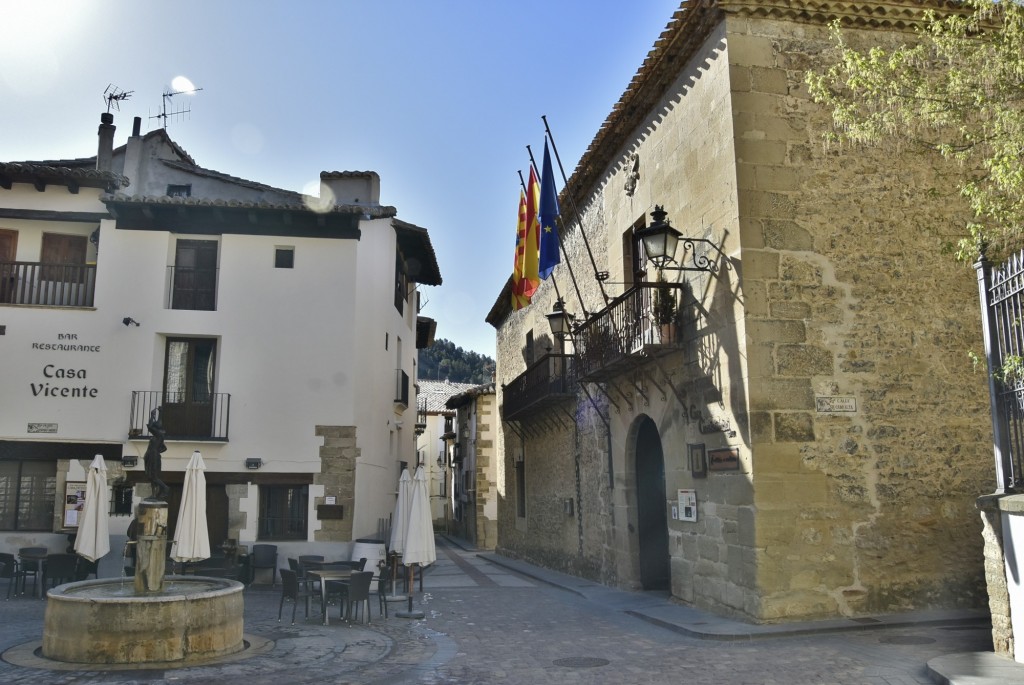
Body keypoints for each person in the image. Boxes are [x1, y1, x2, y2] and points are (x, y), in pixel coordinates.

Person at [143, 407, 170, 500]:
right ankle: (153, 495)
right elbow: (164, 448)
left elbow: (150, 426)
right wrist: (160, 413)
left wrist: (152, 416)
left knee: (154, 477)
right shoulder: (157, 436)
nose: (152, 428)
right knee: (151, 477)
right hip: (152, 455)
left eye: (154, 427)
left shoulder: (159, 435)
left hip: (153, 456)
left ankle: (165, 488)